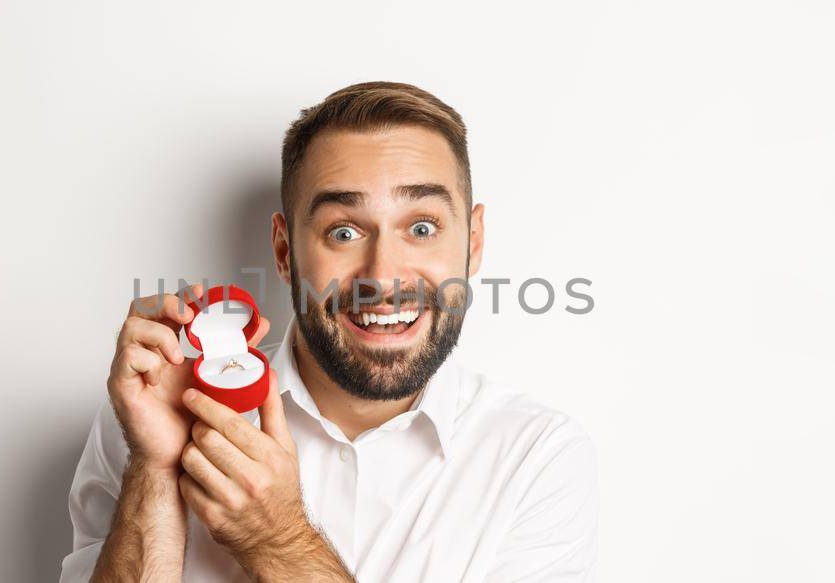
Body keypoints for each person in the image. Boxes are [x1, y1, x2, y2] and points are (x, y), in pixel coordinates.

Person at [60, 81, 599, 582]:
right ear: (284, 251)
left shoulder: (536, 457)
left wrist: (278, 541)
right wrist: (154, 469)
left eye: (421, 227)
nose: (383, 277)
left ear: (473, 242)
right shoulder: (148, 419)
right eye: (343, 231)